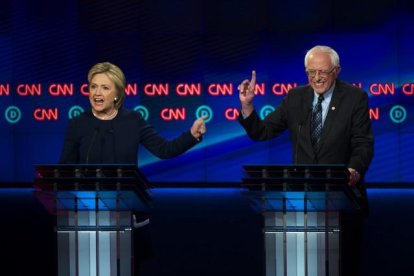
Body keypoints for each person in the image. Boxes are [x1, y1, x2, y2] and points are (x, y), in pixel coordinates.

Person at [59, 62, 207, 275]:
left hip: (126, 213)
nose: (97, 93)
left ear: (117, 94)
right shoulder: (78, 124)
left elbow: (164, 149)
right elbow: (65, 169)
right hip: (89, 213)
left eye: (105, 87)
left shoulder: (133, 120)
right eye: (93, 87)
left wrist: (191, 135)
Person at [238, 45, 374, 275]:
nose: (317, 78)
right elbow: (263, 132)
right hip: (300, 203)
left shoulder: (354, 97)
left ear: (337, 70)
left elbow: (363, 143)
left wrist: (354, 169)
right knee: (302, 268)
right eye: (311, 72)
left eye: (323, 72)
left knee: (342, 267)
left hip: (341, 200)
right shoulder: (295, 97)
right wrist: (248, 106)